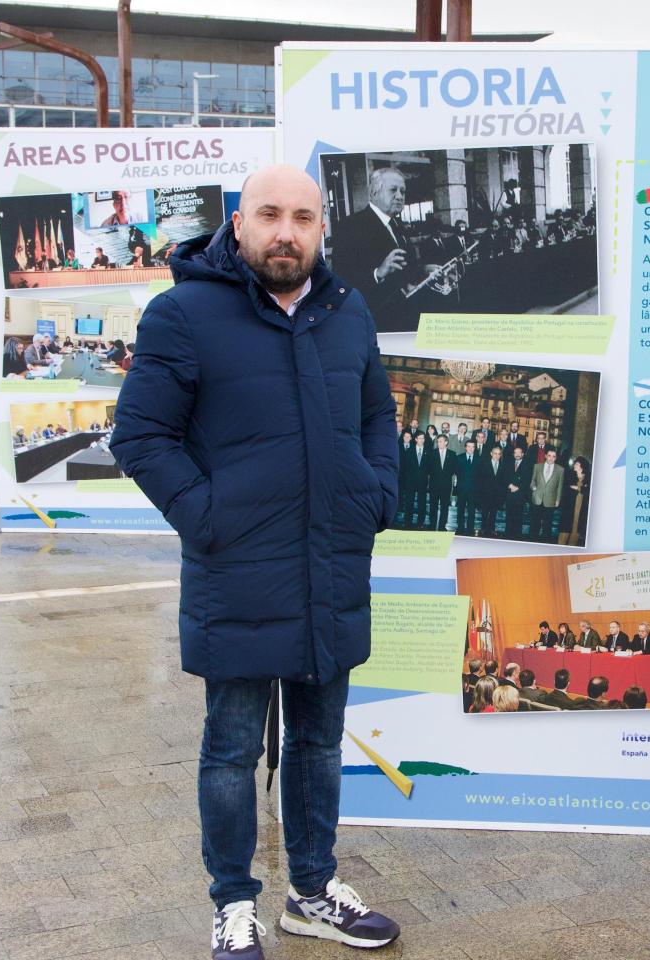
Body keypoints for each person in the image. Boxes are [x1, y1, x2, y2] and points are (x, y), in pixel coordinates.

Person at [110, 164, 401, 960]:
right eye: (269, 215)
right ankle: (233, 902)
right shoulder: (184, 314)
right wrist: (206, 518)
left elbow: (379, 417)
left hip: (331, 566)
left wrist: (376, 496)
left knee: (318, 745)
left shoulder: (346, 313)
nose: (286, 232)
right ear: (237, 226)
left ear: (321, 229)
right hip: (238, 570)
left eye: (303, 217)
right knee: (232, 749)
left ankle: (311, 892)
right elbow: (139, 436)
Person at [330, 166, 423, 334]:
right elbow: (341, 281)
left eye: (403, 191)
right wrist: (377, 273)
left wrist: (424, 270)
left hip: (406, 318)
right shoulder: (350, 226)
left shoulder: (398, 225)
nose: (400, 196)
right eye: (393, 190)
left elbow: (406, 268)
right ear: (374, 193)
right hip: (375, 323)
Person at [529, 449, 565, 542]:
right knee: (535, 523)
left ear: (556, 458)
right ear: (546, 456)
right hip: (537, 498)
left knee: (547, 524)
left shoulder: (560, 470)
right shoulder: (537, 466)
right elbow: (533, 480)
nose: (551, 458)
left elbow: (560, 486)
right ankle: (532, 542)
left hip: (550, 500)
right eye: (549, 455)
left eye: (553, 456)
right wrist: (533, 488)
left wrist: (558, 500)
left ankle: (545, 543)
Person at [474, 445, 509, 537]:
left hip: (497, 495)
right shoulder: (484, 464)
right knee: (485, 513)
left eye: (499, 454)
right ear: (491, 454)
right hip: (485, 494)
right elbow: (479, 480)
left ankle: (492, 529)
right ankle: (483, 529)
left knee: (493, 513)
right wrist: (479, 495)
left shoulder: (503, 466)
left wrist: (502, 496)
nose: (497, 456)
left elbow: (504, 481)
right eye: (495, 453)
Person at [425, 434, 456, 531]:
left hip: (446, 485)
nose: (439, 443)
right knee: (433, 506)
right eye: (438, 441)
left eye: (441, 441)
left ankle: (442, 526)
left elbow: (453, 470)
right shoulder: (432, 453)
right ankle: (432, 525)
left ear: (446, 442)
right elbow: (428, 469)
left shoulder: (452, 454)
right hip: (434, 485)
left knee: (445, 507)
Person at [559, 456, 590, 547]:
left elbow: (588, 491)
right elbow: (567, 488)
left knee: (576, 528)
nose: (574, 465)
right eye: (575, 463)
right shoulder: (570, 475)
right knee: (565, 527)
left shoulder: (588, 477)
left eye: (577, 464)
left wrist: (578, 488)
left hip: (581, 507)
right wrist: (582, 489)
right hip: (569, 506)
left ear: (582, 466)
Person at [403, 432, 430, 529]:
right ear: (415, 439)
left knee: (421, 503)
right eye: (420, 438)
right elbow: (405, 467)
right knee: (409, 502)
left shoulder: (428, 451)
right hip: (410, 481)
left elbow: (429, 468)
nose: (422, 440)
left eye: (423, 438)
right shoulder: (409, 451)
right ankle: (407, 523)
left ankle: (420, 523)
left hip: (422, 482)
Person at [503, 445, 531, 538]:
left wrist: (518, 487)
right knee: (509, 515)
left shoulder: (527, 464)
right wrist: (510, 485)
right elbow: (504, 476)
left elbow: (528, 479)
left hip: (520, 494)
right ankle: (508, 535)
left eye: (519, 452)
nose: (518, 454)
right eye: (516, 453)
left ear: (523, 454)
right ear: (513, 454)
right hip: (509, 493)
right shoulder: (508, 463)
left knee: (518, 516)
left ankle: (517, 536)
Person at [453, 438, 479, 536]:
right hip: (462, 489)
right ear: (465, 447)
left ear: (475, 448)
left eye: (473, 447)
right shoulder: (459, 458)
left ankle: (470, 529)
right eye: (469, 446)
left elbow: (480, 475)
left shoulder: (478, 459)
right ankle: (460, 528)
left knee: (471, 511)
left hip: (473, 490)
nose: (471, 449)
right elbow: (456, 471)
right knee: (460, 509)